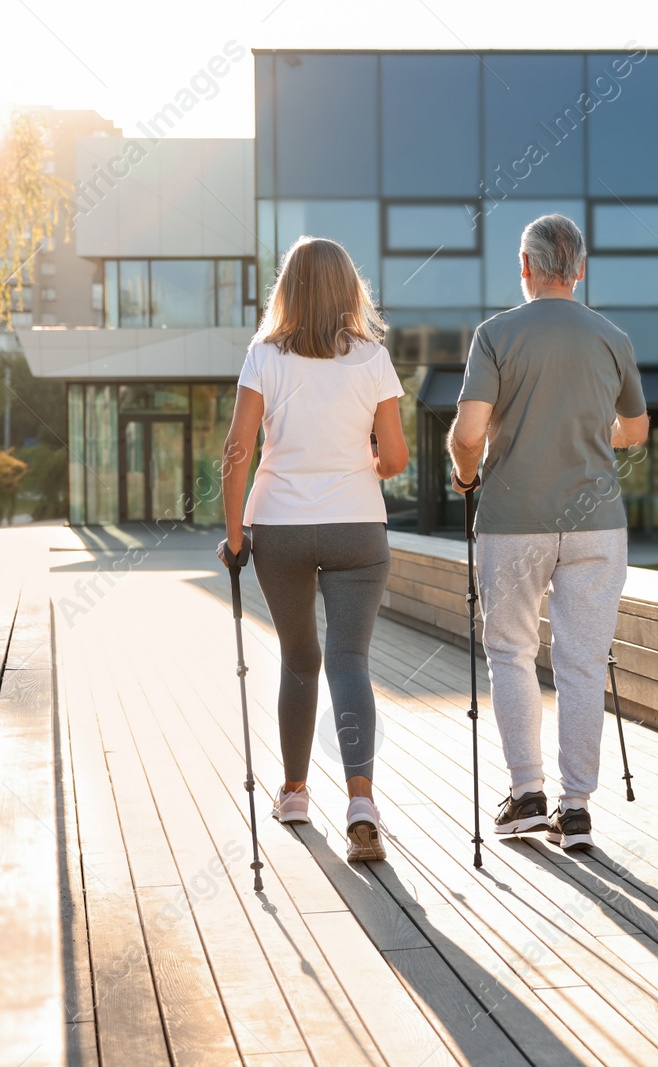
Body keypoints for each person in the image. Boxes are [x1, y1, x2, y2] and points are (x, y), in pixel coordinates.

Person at [447, 213, 648, 852]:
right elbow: (636, 431)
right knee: (583, 661)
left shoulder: (495, 335)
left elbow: (469, 432)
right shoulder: (612, 336)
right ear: (580, 268)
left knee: (510, 652)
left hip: (514, 522)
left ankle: (527, 795)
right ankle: (578, 808)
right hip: (597, 525)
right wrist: (591, 435)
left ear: (527, 268)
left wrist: (466, 473)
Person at [219, 235, 408, 864]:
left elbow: (238, 451)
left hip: (280, 528)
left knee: (301, 659)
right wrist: (362, 466)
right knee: (349, 661)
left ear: (287, 289)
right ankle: (361, 803)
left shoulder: (264, 356)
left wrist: (237, 533)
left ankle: (295, 793)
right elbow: (397, 458)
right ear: (350, 289)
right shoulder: (374, 359)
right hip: (358, 526)